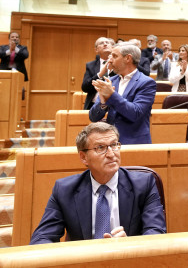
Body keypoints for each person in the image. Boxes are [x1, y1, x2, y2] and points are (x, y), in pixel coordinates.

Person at [29, 122, 166, 244]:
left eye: (114, 145)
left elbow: (156, 232)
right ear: (84, 157)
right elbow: (41, 238)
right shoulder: (65, 190)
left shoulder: (144, 184)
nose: (111, 154)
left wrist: (129, 245)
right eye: (100, 148)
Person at [89, 43, 156, 145]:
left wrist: (111, 95)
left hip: (135, 143)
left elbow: (135, 113)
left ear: (128, 58)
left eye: (115, 56)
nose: (110, 60)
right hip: (111, 143)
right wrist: (103, 103)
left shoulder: (146, 82)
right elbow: (93, 117)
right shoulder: (111, 81)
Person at [82, 37, 115, 110]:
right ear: (96, 50)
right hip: (94, 105)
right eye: (101, 43)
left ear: (112, 47)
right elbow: (85, 87)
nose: (105, 44)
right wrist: (100, 74)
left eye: (107, 42)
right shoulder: (91, 65)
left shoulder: (119, 64)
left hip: (114, 105)